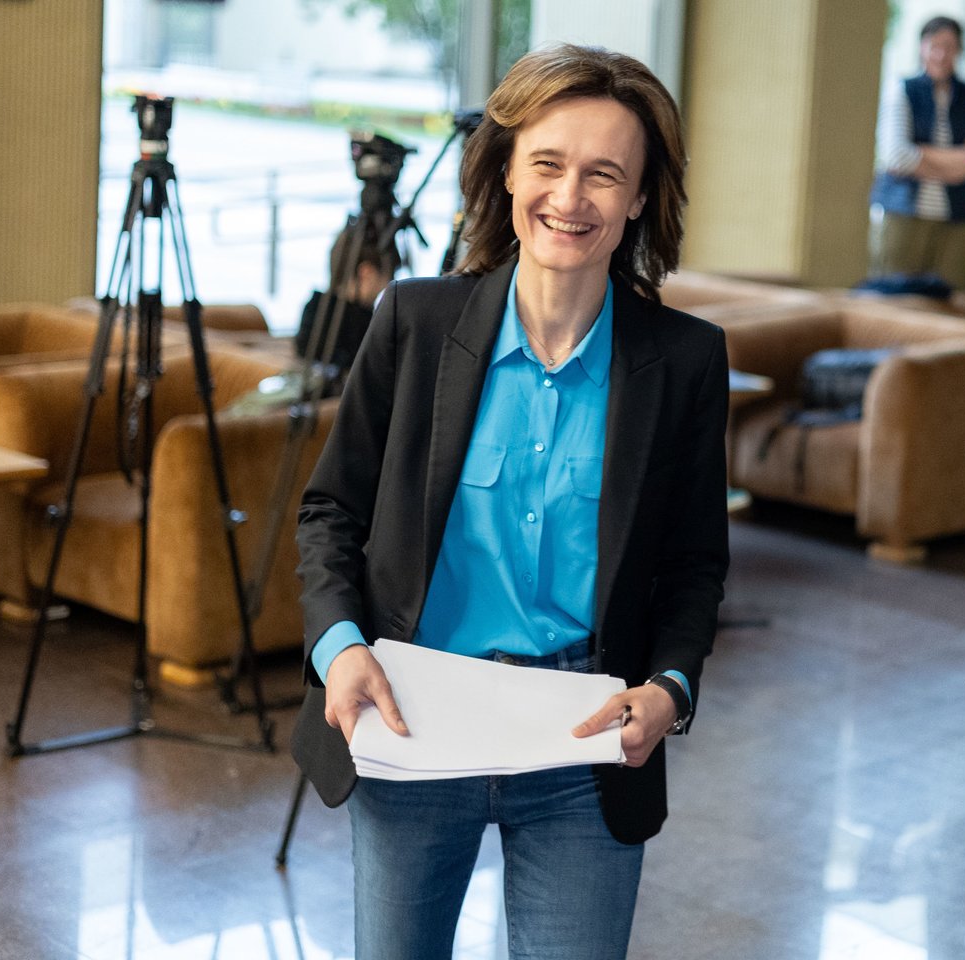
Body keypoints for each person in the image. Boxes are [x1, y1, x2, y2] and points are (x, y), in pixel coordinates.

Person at [290, 43, 729, 960]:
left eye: (604, 174)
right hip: (412, 719)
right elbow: (331, 511)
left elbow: (694, 564)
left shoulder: (685, 361)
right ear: (505, 172)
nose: (570, 197)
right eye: (548, 164)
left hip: (583, 740)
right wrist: (339, 649)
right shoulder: (414, 323)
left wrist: (671, 690)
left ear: (639, 198)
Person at [870, 15, 965, 293]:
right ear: (922, 47)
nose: (941, 54)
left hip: (957, 215)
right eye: (935, 45)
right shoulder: (902, 89)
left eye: (949, 46)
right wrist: (956, 159)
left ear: (959, 50)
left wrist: (922, 153)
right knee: (897, 294)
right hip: (904, 211)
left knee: (953, 295)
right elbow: (896, 155)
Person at [292, 219, 401, 382]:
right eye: (389, 277)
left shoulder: (314, 314)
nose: (388, 286)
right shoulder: (358, 329)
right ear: (366, 274)